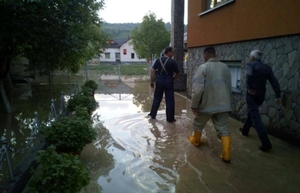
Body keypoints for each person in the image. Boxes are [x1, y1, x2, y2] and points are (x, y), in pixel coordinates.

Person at [188, 47, 232, 163]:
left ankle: (196, 141)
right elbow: (229, 86)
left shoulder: (203, 67)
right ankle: (226, 155)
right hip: (223, 104)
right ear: (215, 54)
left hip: (207, 105)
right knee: (223, 128)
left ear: (205, 56)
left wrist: (194, 105)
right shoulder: (225, 67)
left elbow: (197, 90)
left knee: (198, 124)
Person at [239, 50, 281, 152]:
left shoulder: (251, 65)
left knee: (256, 117)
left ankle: (266, 143)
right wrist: (278, 95)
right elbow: (274, 81)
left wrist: (250, 87)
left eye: (250, 56)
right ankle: (245, 130)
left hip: (252, 94)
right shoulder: (267, 68)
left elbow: (249, 75)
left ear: (252, 57)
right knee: (252, 113)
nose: (249, 58)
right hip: (261, 95)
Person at [148, 46, 180, 123]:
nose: (173, 54)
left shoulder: (158, 60)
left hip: (159, 82)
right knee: (170, 101)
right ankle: (170, 119)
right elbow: (178, 73)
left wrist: (152, 81)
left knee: (157, 99)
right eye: (172, 52)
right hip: (169, 83)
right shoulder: (172, 62)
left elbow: (152, 71)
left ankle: (153, 115)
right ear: (168, 52)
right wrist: (173, 79)